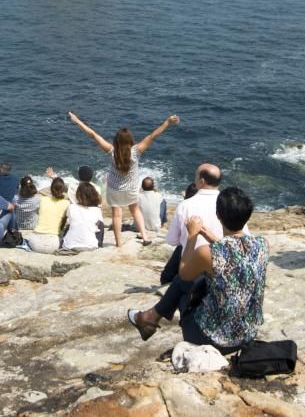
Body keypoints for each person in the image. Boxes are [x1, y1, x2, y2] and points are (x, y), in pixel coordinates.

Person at [128, 187, 269, 354]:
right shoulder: (263, 245)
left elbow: (183, 273)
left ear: (218, 215)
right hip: (247, 336)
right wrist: (211, 237)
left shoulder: (207, 253)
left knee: (183, 283)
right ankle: (150, 318)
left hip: (211, 340)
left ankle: (149, 318)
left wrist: (192, 236)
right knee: (202, 279)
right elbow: (236, 258)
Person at [68, 111, 180, 247]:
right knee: (135, 210)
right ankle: (145, 237)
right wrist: (168, 122)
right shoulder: (137, 151)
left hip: (114, 188)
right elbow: (153, 135)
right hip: (131, 188)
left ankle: (119, 244)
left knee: (117, 215)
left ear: (117, 141)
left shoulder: (112, 151)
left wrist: (77, 121)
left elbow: (93, 135)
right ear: (130, 140)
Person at [25, 178, 71, 254]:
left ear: (51, 189)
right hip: (52, 245)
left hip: (34, 243)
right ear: (63, 190)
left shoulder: (42, 199)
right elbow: (63, 224)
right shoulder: (66, 203)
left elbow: (39, 193)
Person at [61, 183, 105, 251]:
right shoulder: (96, 210)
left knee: (70, 224)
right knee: (100, 224)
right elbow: (98, 227)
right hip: (90, 246)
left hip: (69, 245)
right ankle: (99, 245)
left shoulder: (71, 207)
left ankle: (64, 242)